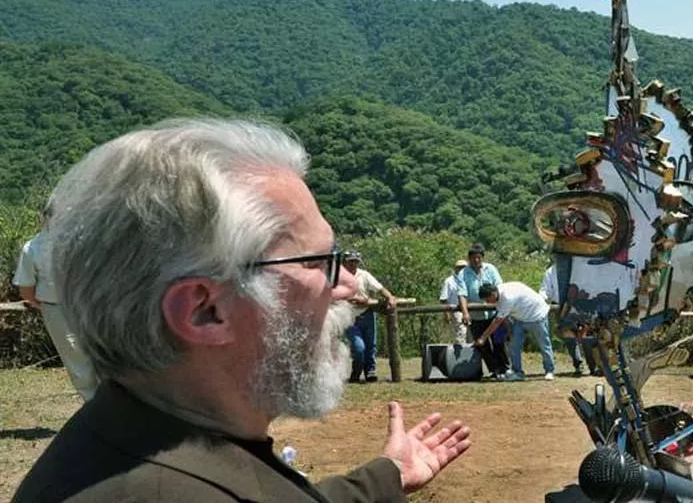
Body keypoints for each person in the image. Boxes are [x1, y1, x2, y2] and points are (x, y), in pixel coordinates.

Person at [13, 118, 470, 502]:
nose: (347, 285)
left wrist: (385, 476)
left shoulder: (134, 439)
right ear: (203, 310)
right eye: (316, 262)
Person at [13, 199, 99, 401]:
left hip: (62, 308)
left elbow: (26, 291)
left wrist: (43, 304)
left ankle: (99, 406)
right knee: (91, 359)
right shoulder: (81, 243)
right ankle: (103, 408)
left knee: (78, 362)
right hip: (81, 307)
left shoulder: (33, 247)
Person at [475, 282, 556, 382]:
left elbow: (497, 321)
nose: (487, 303)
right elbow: (503, 317)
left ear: (493, 294)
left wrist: (483, 337)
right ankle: (518, 372)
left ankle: (549, 370)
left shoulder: (507, 297)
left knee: (544, 344)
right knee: (514, 345)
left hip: (537, 315)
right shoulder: (498, 294)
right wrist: (509, 331)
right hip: (520, 317)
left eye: (487, 300)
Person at [343, 250, 398, 383]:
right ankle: (356, 371)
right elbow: (335, 294)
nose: (353, 264)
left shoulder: (364, 275)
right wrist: (357, 299)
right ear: (345, 262)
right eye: (351, 261)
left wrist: (390, 297)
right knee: (359, 347)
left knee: (370, 346)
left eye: (355, 261)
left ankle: (370, 372)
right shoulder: (339, 276)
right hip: (348, 316)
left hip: (366, 314)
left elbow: (379, 288)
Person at [456, 244, 508, 379]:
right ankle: (494, 370)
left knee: (499, 342)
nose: (476, 260)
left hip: (495, 314)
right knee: (481, 344)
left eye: (479, 257)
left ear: (482, 258)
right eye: (473, 258)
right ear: (469, 259)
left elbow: (500, 287)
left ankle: (505, 369)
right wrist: (465, 312)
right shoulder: (463, 273)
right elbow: (462, 294)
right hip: (476, 316)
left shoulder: (491, 269)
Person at [539, 262, 596, 377]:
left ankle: (593, 366)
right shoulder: (551, 272)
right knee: (569, 337)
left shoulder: (580, 268)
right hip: (561, 307)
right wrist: (541, 299)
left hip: (580, 305)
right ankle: (578, 365)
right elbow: (545, 290)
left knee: (586, 336)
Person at [439, 259, 469, 345]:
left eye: (464, 267)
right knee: (460, 333)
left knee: (470, 334)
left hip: (470, 310)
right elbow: (444, 299)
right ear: (455, 268)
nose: (462, 269)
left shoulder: (468, 279)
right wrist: (446, 313)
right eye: (460, 267)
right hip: (456, 311)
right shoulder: (449, 281)